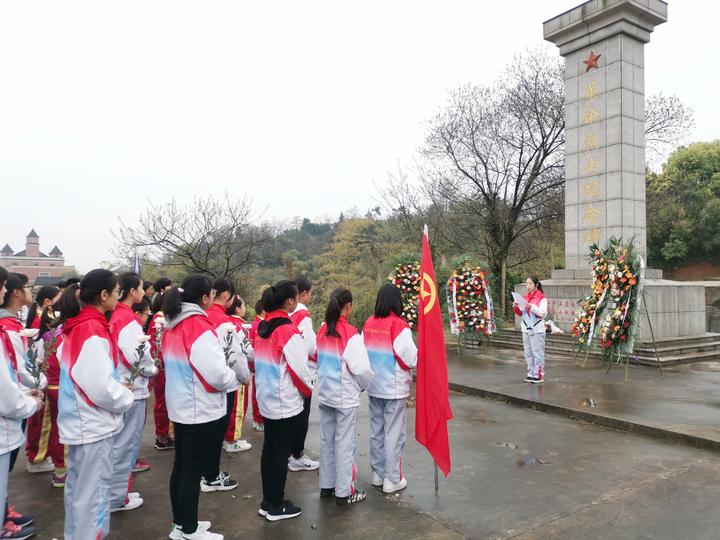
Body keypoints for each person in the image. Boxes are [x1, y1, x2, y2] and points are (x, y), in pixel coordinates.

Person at [56, 270, 135, 539]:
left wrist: (114, 387)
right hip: (93, 423)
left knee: (80, 492)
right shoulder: (92, 329)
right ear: (103, 295)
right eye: (115, 293)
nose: (117, 298)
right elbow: (100, 387)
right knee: (94, 496)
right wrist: (125, 396)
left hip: (81, 421)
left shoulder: (78, 324)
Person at [162, 275, 237, 540]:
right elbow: (216, 373)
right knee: (191, 470)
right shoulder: (197, 326)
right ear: (205, 298)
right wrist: (232, 377)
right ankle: (189, 530)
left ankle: (181, 524)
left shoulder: (172, 324)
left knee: (181, 467)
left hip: (181, 405)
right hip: (198, 408)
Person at [254, 280, 312, 522]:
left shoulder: (263, 326)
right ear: (290, 301)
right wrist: (308, 390)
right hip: (285, 401)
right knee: (279, 453)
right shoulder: (286, 330)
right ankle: (276, 506)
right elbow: (300, 370)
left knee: (269, 450)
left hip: (267, 398)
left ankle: (269, 501)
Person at [316, 288, 373, 505]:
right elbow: (363, 370)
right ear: (348, 306)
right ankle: (345, 491)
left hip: (325, 395)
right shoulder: (350, 333)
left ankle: (327, 486)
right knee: (344, 444)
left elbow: (315, 357)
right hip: (345, 398)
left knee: (327, 441)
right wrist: (361, 387)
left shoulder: (322, 330)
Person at [0, 266, 43, 540]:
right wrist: (31, 401)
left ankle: (3, 511)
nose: (4, 293)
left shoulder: (12, 325)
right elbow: (9, 379)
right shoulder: (6, 328)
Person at [108, 273, 158, 513]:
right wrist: (152, 369)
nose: (143, 291)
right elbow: (134, 355)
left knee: (123, 441)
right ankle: (117, 496)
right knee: (126, 442)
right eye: (140, 287)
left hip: (125, 383)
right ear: (131, 292)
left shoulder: (118, 316)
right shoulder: (126, 319)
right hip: (132, 386)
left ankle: (119, 490)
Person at [362, 284, 417, 494]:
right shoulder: (398, 325)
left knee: (377, 430)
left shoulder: (368, 323)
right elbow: (410, 358)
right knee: (394, 433)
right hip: (393, 389)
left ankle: (378, 474)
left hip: (374, 387)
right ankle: (392, 478)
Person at [201, 278, 249, 494]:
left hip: (200, 384)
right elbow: (238, 354)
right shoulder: (223, 321)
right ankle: (210, 476)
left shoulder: (201, 317)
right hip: (222, 383)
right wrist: (245, 376)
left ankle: (207, 472)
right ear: (227, 295)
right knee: (216, 431)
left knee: (207, 432)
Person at [24, 285, 61, 474]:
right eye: (58, 297)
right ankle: (36, 457)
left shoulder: (42, 317)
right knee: (44, 421)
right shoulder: (44, 321)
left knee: (42, 420)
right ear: (47, 302)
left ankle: (38, 455)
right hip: (44, 376)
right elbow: (37, 349)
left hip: (43, 374)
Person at [32, 300, 67, 488]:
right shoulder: (63, 338)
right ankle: (61, 470)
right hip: (62, 389)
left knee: (55, 429)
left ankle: (59, 469)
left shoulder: (48, 337)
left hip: (52, 387)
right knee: (63, 431)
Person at [288, 276, 319, 472]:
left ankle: (292, 452)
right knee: (302, 414)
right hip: (303, 371)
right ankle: (297, 455)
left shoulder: (287, 313)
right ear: (304, 293)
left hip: (288, 370)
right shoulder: (303, 315)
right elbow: (309, 346)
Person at [226, 295, 253, 449]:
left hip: (226, 371)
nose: (245, 308)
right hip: (237, 373)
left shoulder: (228, 322)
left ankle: (229, 438)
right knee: (237, 406)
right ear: (237, 308)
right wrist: (244, 375)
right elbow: (245, 351)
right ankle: (232, 440)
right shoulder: (236, 325)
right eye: (243, 305)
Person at [148, 292, 174, 450]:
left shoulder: (158, 318)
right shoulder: (161, 320)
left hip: (161, 366)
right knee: (163, 402)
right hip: (163, 367)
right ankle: (163, 436)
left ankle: (163, 435)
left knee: (162, 401)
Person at [513, 275, 548, 384]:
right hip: (526, 327)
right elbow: (521, 313)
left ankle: (539, 374)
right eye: (527, 283)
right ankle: (531, 372)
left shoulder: (542, 298)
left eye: (530, 283)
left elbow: (542, 313)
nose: (528, 286)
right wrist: (515, 306)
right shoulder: (524, 297)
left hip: (537, 328)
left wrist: (530, 306)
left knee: (537, 352)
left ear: (536, 285)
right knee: (528, 352)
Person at [248, 301, 264, 432]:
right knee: (259, 393)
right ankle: (258, 419)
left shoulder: (252, 325)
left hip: (254, 365)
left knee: (255, 393)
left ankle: (256, 418)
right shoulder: (261, 326)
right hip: (261, 364)